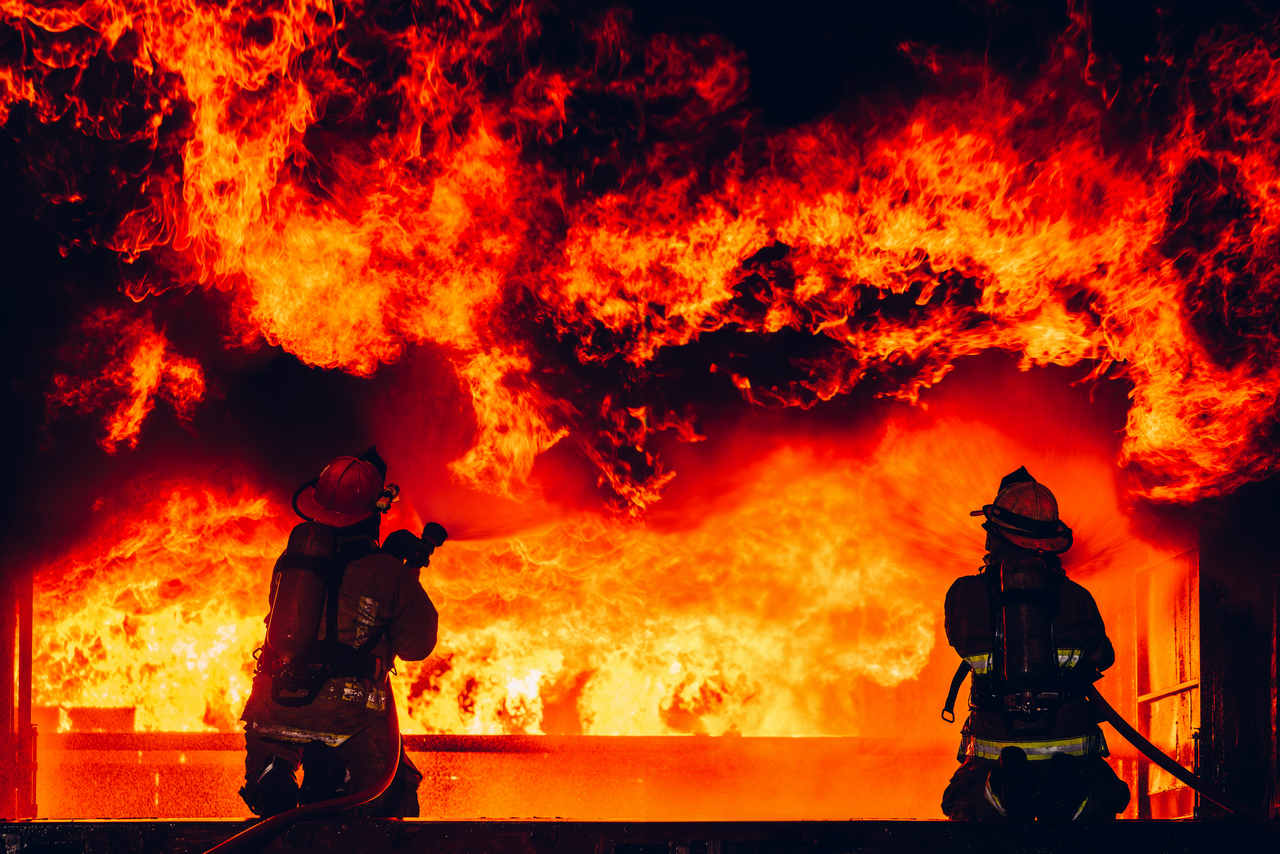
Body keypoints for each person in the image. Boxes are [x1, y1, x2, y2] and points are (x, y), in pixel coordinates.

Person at [239, 447, 440, 818]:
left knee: (274, 779)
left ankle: (273, 773)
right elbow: (417, 646)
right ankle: (339, 775)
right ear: (377, 511)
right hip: (349, 715)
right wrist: (396, 571)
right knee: (391, 798)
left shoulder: (291, 563)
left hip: (276, 700)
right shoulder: (387, 572)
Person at [940, 467, 1131, 821]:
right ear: (1049, 540)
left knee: (960, 801)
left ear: (996, 534)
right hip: (1072, 745)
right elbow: (1102, 655)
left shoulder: (964, 594)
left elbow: (960, 642)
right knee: (1107, 797)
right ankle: (1070, 790)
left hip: (995, 747)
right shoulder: (1076, 597)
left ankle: (1001, 789)